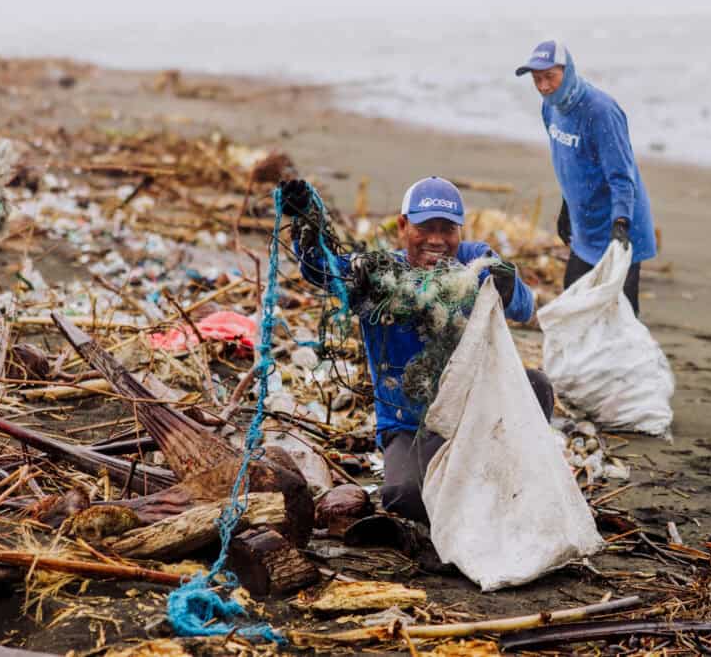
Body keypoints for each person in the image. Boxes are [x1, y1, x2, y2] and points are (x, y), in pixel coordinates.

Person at [280, 176, 554, 523]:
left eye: (447, 229)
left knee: (535, 385)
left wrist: (509, 283)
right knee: (404, 495)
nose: (437, 240)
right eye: (425, 227)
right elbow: (323, 270)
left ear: (460, 231)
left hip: (478, 410)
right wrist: (305, 221)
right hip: (410, 425)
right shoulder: (375, 275)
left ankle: (523, 480)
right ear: (403, 225)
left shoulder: (475, 259)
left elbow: (524, 308)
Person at [516, 40, 657, 316]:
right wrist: (567, 208)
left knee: (620, 315)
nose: (543, 86)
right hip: (586, 228)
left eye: (549, 77)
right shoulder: (550, 109)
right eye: (537, 79)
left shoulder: (601, 111)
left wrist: (620, 224)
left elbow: (621, 177)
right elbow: (573, 164)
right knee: (574, 307)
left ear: (567, 73)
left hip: (621, 226)